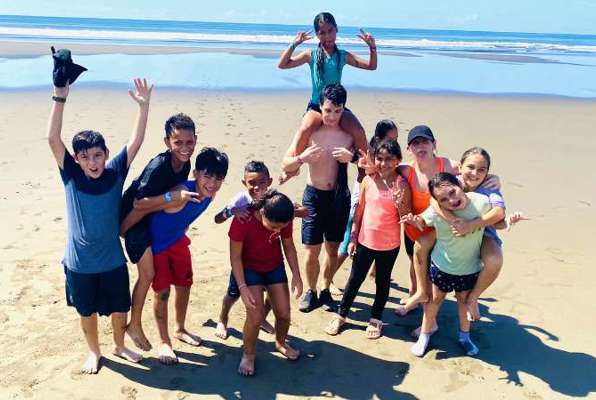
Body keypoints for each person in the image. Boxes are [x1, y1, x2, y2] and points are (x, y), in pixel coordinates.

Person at [48, 78, 153, 373]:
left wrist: (143, 108)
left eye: (97, 155)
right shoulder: (72, 176)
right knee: (87, 311)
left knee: (120, 308)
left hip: (111, 260)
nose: (92, 162)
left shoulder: (115, 172)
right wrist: (60, 96)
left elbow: (136, 142)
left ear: (106, 155)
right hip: (79, 263)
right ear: (77, 160)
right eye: (85, 157)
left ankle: (119, 346)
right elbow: (53, 140)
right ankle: (94, 351)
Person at [119, 113, 198, 352]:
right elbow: (139, 204)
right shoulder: (159, 166)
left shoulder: (185, 164)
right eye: (178, 143)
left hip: (150, 217)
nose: (184, 148)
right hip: (132, 219)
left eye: (189, 142)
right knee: (148, 274)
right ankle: (134, 324)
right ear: (167, 142)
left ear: (196, 139)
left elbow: (170, 199)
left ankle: (173, 327)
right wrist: (122, 230)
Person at [147, 147, 228, 364]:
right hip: (156, 246)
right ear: (195, 173)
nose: (212, 183)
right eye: (207, 176)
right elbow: (149, 208)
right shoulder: (182, 193)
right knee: (162, 292)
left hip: (178, 240)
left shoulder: (210, 195)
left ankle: (180, 329)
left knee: (184, 285)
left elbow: (186, 218)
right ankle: (164, 341)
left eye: (218, 178)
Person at [429, 147, 529, 321]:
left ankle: (473, 297)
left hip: (483, 233)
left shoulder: (490, 187)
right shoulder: (454, 182)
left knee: (495, 260)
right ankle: (421, 298)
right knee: (420, 246)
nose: (475, 174)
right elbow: (432, 198)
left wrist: (471, 225)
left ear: (488, 172)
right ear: (460, 166)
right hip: (453, 231)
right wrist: (452, 219)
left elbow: (498, 213)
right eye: (470, 167)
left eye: (482, 170)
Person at [278, 11, 376, 182]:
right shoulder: (311, 55)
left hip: (336, 106)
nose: (327, 35)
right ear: (317, 34)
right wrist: (294, 44)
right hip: (317, 106)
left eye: (330, 31)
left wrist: (372, 47)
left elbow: (371, 66)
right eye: (322, 32)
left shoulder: (342, 56)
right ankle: (293, 169)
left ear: (336, 30)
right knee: (305, 128)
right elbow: (282, 64)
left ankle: (365, 171)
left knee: (358, 130)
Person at [325, 140, 410, 339]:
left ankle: (376, 318)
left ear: (398, 160)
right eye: (379, 159)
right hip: (365, 240)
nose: (384, 163)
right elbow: (359, 211)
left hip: (389, 245)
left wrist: (400, 203)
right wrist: (353, 237)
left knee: (382, 282)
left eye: (389, 159)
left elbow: (406, 215)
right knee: (355, 279)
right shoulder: (368, 180)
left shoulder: (401, 184)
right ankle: (341, 314)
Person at [281, 84, 354, 313]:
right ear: (320, 107)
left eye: (337, 110)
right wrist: (302, 158)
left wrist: (350, 157)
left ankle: (325, 288)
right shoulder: (310, 131)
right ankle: (311, 291)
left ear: (344, 109)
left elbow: (367, 162)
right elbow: (286, 162)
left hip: (339, 197)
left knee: (333, 250)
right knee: (311, 250)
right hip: (314, 195)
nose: (332, 116)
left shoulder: (349, 133)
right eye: (328, 110)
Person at [401, 173, 492, 357]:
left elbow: (496, 220)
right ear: (437, 203)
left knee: (463, 302)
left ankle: (464, 337)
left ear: (459, 184)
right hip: (442, 266)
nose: (451, 200)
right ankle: (425, 336)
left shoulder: (481, 202)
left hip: (469, 268)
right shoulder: (436, 211)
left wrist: (509, 221)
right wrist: (414, 220)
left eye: (453, 191)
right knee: (435, 301)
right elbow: (421, 221)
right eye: (443, 199)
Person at [229, 190, 303, 376]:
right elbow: (235, 258)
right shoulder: (242, 221)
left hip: (274, 267)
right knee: (255, 317)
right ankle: (249, 354)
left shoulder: (283, 215)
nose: (277, 230)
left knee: (284, 313)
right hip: (250, 270)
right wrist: (242, 287)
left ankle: (280, 342)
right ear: (262, 213)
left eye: (281, 227)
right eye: (273, 227)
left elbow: (288, 245)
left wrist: (296, 274)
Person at [394, 126, 459, 316]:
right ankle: (414, 295)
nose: (421, 147)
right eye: (415, 143)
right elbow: (383, 168)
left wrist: (492, 179)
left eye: (425, 142)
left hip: (438, 230)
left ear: (434, 144)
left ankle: (429, 316)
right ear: (409, 149)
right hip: (413, 228)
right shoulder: (406, 170)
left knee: (433, 273)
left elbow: (473, 170)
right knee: (415, 264)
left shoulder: (446, 166)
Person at [335, 120, 400, 289]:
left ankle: (374, 271)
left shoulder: (385, 152)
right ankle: (328, 280)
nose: (394, 143)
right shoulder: (368, 152)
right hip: (363, 193)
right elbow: (368, 168)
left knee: (383, 228)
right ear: (379, 138)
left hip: (379, 196)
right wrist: (354, 158)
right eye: (391, 138)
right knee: (350, 235)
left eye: (396, 139)